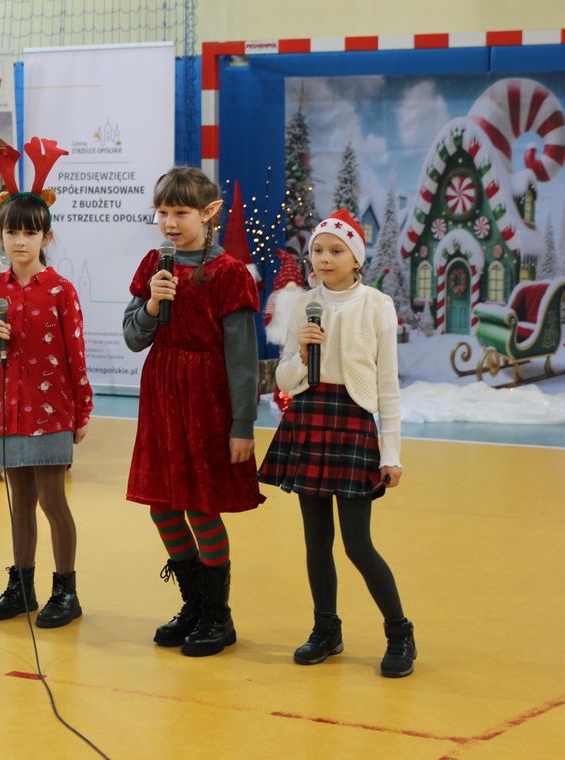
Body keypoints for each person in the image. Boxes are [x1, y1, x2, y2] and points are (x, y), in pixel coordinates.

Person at [258, 209, 416, 678]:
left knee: (357, 544)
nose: (324, 258)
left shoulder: (376, 305)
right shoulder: (302, 304)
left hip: (350, 424)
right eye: (318, 250)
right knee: (315, 541)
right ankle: (326, 628)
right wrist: (303, 349)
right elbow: (284, 377)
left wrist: (391, 454)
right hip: (308, 418)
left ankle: (399, 632)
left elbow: (387, 386)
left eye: (335, 250)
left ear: (356, 258)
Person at [122, 166, 263, 657]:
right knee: (162, 503)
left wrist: (242, 424)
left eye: (180, 213)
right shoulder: (153, 266)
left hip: (207, 399)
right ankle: (194, 603)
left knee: (201, 506)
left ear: (208, 213)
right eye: (162, 212)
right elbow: (133, 336)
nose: (169, 223)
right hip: (162, 392)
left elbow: (243, 359)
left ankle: (218, 617)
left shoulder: (228, 275)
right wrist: (154, 307)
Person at [0, 138, 92, 628]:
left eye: (30, 232)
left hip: (51, 413)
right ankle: (22, 585)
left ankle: (66, 590)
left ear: (45, 236)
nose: (20, 241)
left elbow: (75, 355)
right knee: (18, 500)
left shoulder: (62, 290)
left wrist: (81, 412)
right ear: (0, 236)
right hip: (6, 409)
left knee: (51, 499)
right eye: (12, 232)